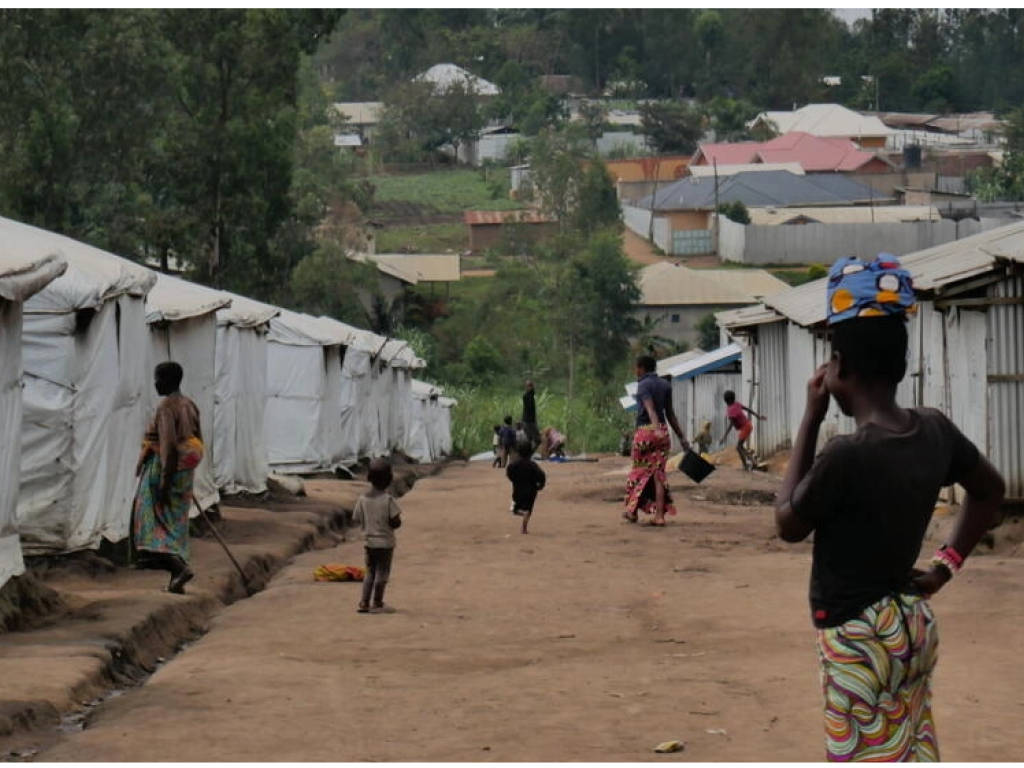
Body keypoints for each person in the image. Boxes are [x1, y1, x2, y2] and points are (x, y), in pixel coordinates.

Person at [775, 254, 1005, 762]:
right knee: (912, 747)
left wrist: (811, 419)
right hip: (911, 626)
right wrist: (945, 567)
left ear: (841, 368)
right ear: (900, 365)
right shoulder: (934, 429)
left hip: (859, 638)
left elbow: (787, 521)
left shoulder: (847, 454)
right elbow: (990, 490)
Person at [133, 361, 204, 594]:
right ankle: (176, 578)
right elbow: (198, 440)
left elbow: (169, 446)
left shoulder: (167, 407)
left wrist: (165, 481)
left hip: (165, 469)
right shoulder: (190, 404)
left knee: (150, 523)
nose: (155, 383)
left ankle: (179, 568)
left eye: (158, 378)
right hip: (183, 472)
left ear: (168, 380)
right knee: (175, 523)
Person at [624, 355, 688, 527]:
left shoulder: (643, 384)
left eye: (636, 368)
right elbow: (670, 414)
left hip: (647, 432)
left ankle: (632, 512)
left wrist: (654, 428)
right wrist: (681, 437)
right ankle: (659, 516)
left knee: (638, 472)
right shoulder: (665, 385)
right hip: (664, 433)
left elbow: (650, 408)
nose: (635, 371)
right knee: (658, 474)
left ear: (641, 368)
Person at [353, 458, 404, 614]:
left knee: (369, 572)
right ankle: (378, 602)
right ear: (389, 480)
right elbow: (396, 522)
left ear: (368, 478)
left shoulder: (362, 500)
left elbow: (356, 518)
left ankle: (364, 602)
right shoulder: (388, 500)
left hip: (369, 543)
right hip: (385, 544)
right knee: (382, 574)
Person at [507, 441, 546, 534]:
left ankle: (522, 514)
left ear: (518, 452)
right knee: (528, 509)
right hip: (531, 491)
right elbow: (541, 475)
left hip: (517, 490)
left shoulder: (514, 465)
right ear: (530, 453)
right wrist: (540, 485)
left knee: (513, 509)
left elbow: (509, 473)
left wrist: (514, 480)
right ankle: (524, 528)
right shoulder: (533, 465)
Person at [722, 390, 765, 471]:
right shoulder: (737, 404)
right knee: (739, 447)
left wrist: (724, 436)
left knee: (739, 447)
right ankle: (748, 463)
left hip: (745, 427)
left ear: (726, 401)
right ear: (733, 399)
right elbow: (748, 409)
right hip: (748, 425)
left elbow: (730, 425)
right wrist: (757, 416)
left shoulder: (730, 411)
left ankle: (749, 463)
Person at [521, 380, 540, 452]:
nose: (530, 387)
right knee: (537, 440)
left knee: (530, 439)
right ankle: (528, 455)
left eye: (531, 385)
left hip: (529, 421)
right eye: (529, 385)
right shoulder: (527, 396)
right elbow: (529, 409)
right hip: (528, 421)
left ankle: (528, 455)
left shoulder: (531, 395)